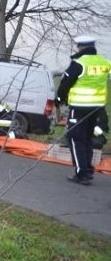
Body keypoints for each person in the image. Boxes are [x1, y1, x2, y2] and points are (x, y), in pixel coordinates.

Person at [55, 35, 111, 185]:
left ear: (81, 47)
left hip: (80, 107)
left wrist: (59, 100)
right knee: (86, 138)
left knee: (75, 138)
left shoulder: (79, 63)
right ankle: (88, 169)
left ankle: (82, 173)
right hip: (97, 108)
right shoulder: (105, 62)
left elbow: (65, 83)